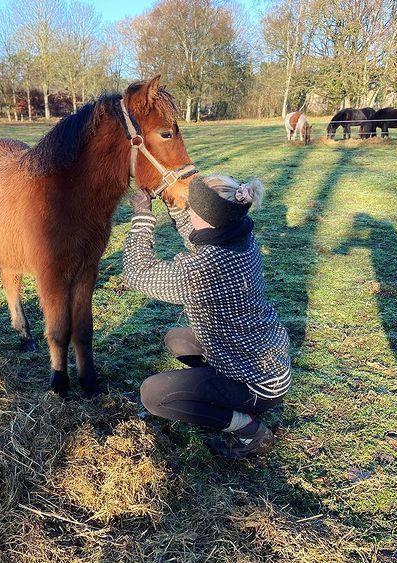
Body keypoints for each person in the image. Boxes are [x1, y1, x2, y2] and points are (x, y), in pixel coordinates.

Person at [122, 174, 291, 459]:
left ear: (205, 214)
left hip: (258, 384)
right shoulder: (240, 235)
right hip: (267, 359)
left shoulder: (204, 269)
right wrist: (174, 205)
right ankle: (218, 391)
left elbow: (137, 273)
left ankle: (247, 428)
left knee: (153, 394)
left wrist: (142, 217)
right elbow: (199, 233)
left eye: (191, 207)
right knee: (178, 340)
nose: (188, 210)